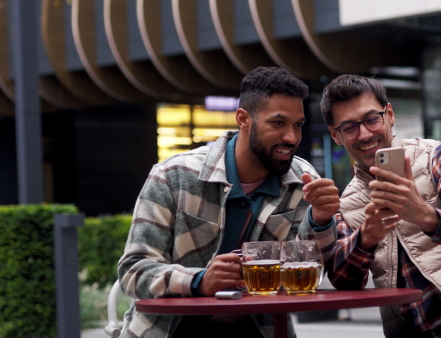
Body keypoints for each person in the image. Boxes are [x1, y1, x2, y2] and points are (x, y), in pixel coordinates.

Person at [117, 67, 339, 338]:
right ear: (243, 119)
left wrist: (322, 220)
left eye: (298, 125)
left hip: (259, 329)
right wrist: (199, 281)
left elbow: (308, 272)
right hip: (169, 329)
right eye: (278, 123)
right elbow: (133, 271)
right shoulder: (174, 176)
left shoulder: (303, 181)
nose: (292, 138)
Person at [320, 74, 441, 338]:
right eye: (349, 127)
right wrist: (366, 239)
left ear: (389, 114)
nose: (364, 134)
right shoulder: (346, 203)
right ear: (335, 135)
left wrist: (425, 215)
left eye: (371, 119)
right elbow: (345, 283)